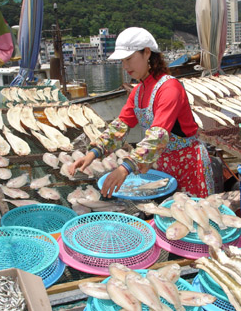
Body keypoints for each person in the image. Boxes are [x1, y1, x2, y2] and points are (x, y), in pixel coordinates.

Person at [69, 27, 214, 198]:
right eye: (122, 61)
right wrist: (92, 154)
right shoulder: (139, 92)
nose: (125, 66)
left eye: (129, 59)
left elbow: (158, 136)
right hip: (162, 165)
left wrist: (125, 168)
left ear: (147, 53)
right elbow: (119, 127)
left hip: (189, 166)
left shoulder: (169, 87)